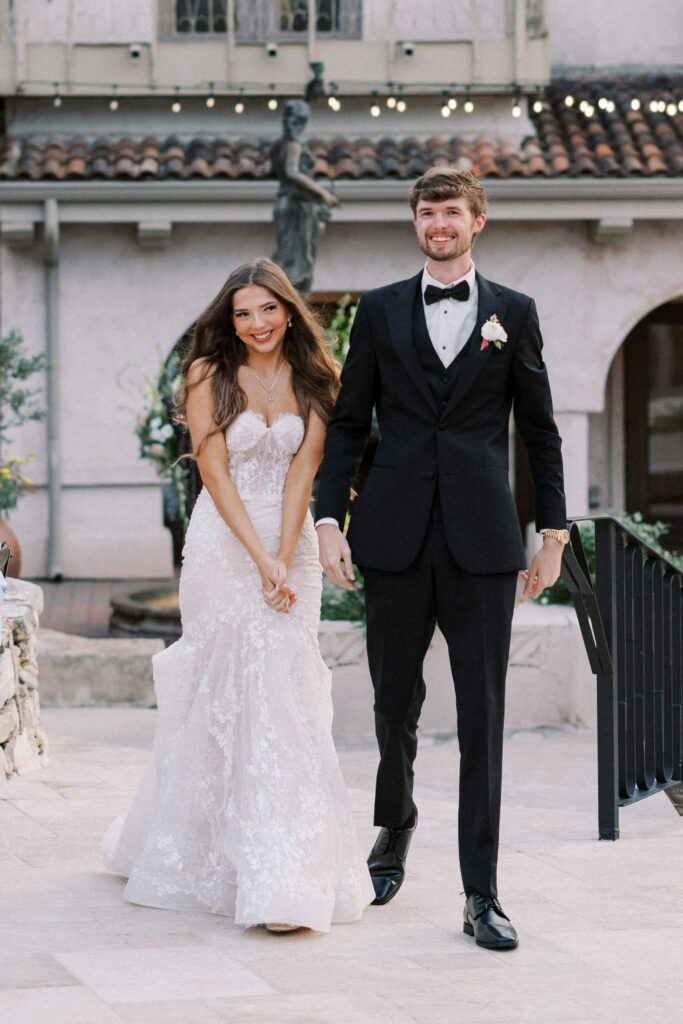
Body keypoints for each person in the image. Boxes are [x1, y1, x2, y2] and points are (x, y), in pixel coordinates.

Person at [315, 167, 568, 951]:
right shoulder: (382, 310)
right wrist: (329, 519)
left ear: (476, 221)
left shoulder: (514, 315)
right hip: (391, 536)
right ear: (415, 223)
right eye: (427, 214)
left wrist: (552, 536)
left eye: (451, 213)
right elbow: (349, 424)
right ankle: (392, 828)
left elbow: (539, 433)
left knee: (482, 718)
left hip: (485, 543)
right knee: (393, 704)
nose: (438, 224)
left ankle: (480, 891)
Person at [102, 257, 374, 934]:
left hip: (289, 547)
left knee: (284, 691)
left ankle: (285, 868)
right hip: (223, 546)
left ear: (288, 310)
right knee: (221, 688)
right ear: (230, 320)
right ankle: (207, 855)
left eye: (267, 309)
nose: (256, 324)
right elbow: (213, 474)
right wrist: (257, 559)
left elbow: (302, 476)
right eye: (242, 312)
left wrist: (285, 557)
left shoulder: (315, 378)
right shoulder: (207, 375)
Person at [271, 98, 339, 294]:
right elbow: (292, 172)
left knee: (295, 258)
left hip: (291, 204)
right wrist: (322, 193)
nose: (300, 125)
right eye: (299, 120)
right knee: (296, 262)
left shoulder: (281, 144)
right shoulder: (292, 145)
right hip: (296, 206)